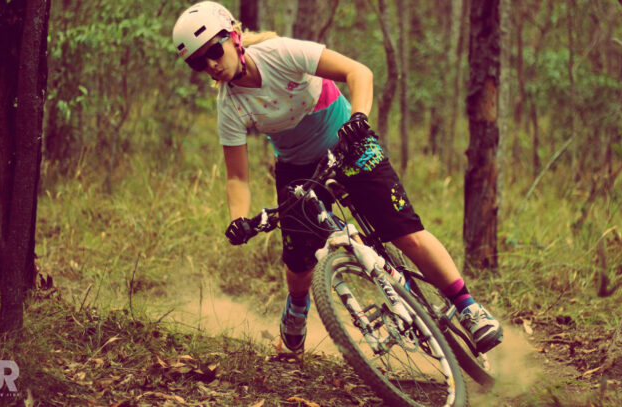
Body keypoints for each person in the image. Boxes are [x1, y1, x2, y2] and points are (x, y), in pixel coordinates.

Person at [172, 1, 503, 355]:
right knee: (299, 259)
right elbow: (237, 177)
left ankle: (468, 307)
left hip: (349, 141)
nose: (211, 65)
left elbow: (358, 72)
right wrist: (239, 219)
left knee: (406, 234)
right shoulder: (229, 105)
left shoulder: (280, 53)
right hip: (298, 168)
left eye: (214, 51)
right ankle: (297, 306)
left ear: (234, 36)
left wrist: (358, 118)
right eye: (198, 62)